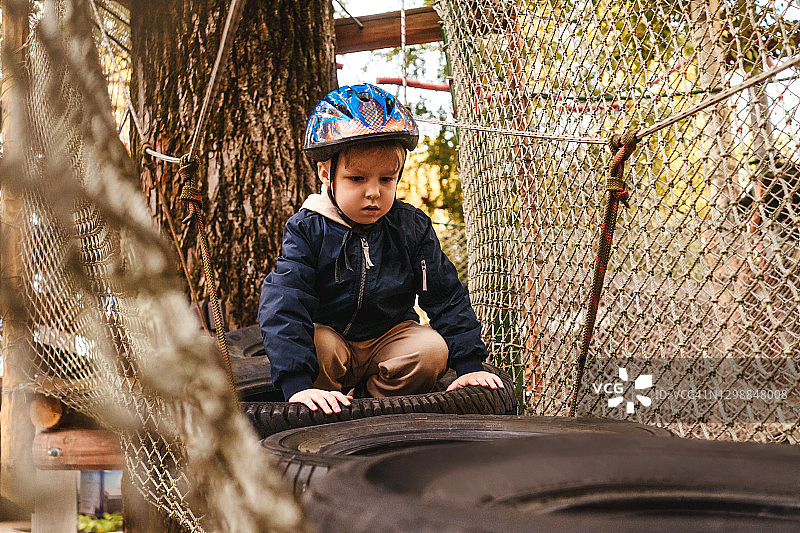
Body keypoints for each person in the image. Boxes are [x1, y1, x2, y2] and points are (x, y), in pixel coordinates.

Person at [258, 83, 503, 414]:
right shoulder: (307, 228)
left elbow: (445, 295)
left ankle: (373, 408)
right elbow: (285, 301)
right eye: (357, 179)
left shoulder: (410, 226)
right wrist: (296, 385)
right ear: (326, 174)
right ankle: (321, 403)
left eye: (386, 179)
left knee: (430, 349)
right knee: (318, 344)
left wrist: (469, 364)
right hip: (333, 342)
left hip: (388, 339)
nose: (373, 192)